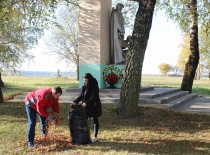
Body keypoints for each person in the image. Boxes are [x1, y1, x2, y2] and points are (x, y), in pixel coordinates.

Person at [71, 73, 102, 143]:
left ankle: (95, 136)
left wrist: (86, 103)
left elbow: (94, 96)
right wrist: (75, 102)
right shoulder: (84, 86)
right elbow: (81, 96)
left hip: (94, 105)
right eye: (84, 80)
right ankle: (85, 135)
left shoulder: (94, 84)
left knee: (95, 120)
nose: (85, 82)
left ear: (89, 80)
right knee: (84, 120)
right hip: (86, 106)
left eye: (86, 80)